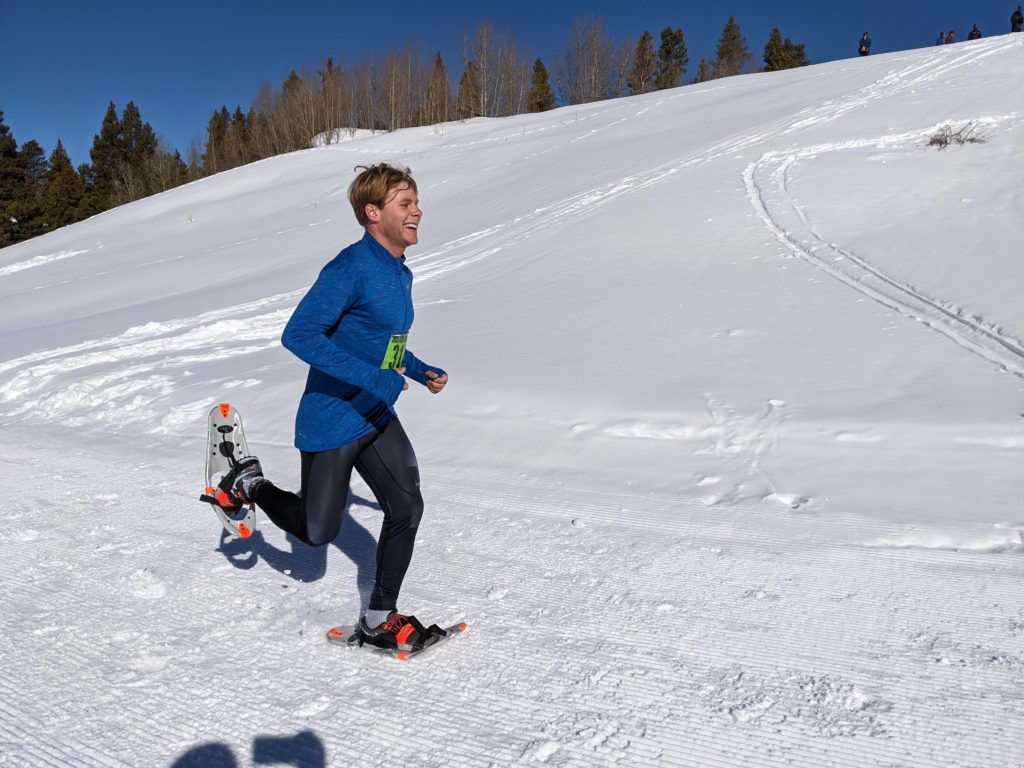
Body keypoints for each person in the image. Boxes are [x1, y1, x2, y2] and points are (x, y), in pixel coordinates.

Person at [220, 163, 450, 651]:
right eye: (405, 203)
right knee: (317, 532)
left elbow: (382, 344)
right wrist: (377, 380)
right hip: (332, 419)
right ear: (373, 212)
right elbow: (299, 335)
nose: (417, 211)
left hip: (375, 414)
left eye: (416, 202)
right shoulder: (351, 267)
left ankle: (379, 617)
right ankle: (248, 482)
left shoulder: (399, 272)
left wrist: (417, 369)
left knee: (407, 506)